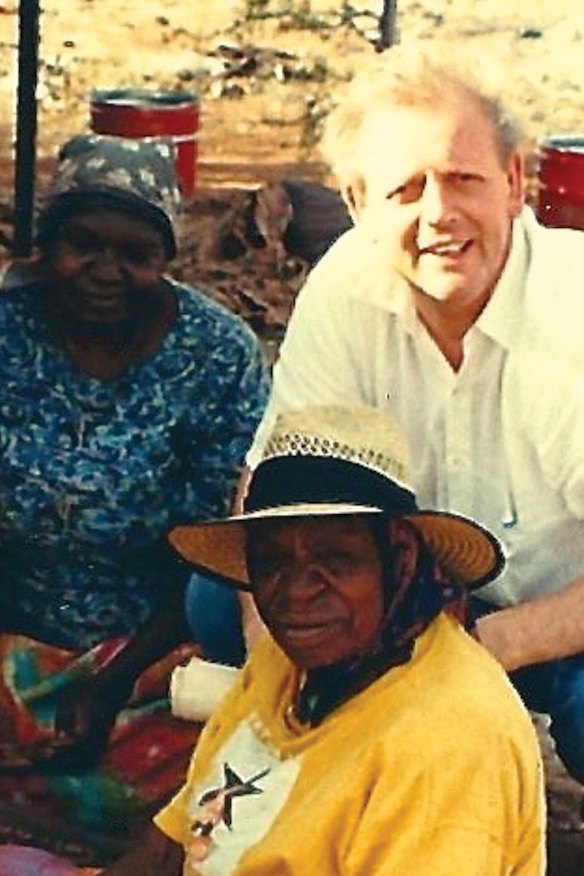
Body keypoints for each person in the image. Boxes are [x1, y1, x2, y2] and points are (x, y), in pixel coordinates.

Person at [244, 44, 584, 787]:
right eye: (405, 190)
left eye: (463, 179)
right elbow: (271, 486)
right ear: (359, 205)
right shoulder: (347, 286)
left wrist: (476, 651)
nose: (438, 214)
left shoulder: (574, 312)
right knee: (225, 596)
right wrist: (269, 679)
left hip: (563, 618)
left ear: (516, 182)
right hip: (415, 596)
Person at [60, 402, 545, 876]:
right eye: (272, 562)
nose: (295, 592)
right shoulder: (292, 660)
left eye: (334, 560)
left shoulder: (447, 742)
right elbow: (179, 840)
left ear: (399, 559)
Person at [0, 133, 269, 829]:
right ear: (45, 246)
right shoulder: (6, 332)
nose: (104, 270)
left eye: (136, 254)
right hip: (14, 637)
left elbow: (221, 547)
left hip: (159, 656)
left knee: (226, 768)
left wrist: (114, 681)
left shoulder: (217, 357)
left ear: (168, 261)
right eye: (82, 244)